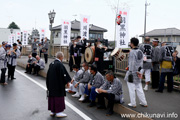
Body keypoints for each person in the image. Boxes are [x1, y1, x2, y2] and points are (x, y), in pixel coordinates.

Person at [46, 51, 71, 118]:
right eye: (62, 57)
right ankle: (59, 112)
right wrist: (67, 82)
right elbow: (64, 74)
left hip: (51, 84)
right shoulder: (60, 64)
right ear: (61, 57)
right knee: (58, 97)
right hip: (58, 85)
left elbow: (48, 74)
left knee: (52, 97)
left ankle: (53, 111)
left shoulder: (52, 64)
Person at [124, 37, 148, 108]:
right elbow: (141, 62)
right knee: (139, 88)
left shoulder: (132, 52)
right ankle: (144, 102)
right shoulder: (140, 51)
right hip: (139, 72)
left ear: (131, 43)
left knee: (131, 89)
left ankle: (133, 103)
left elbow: (132, 63)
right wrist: (139, 71)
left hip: (132, 73)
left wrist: (131, 70)